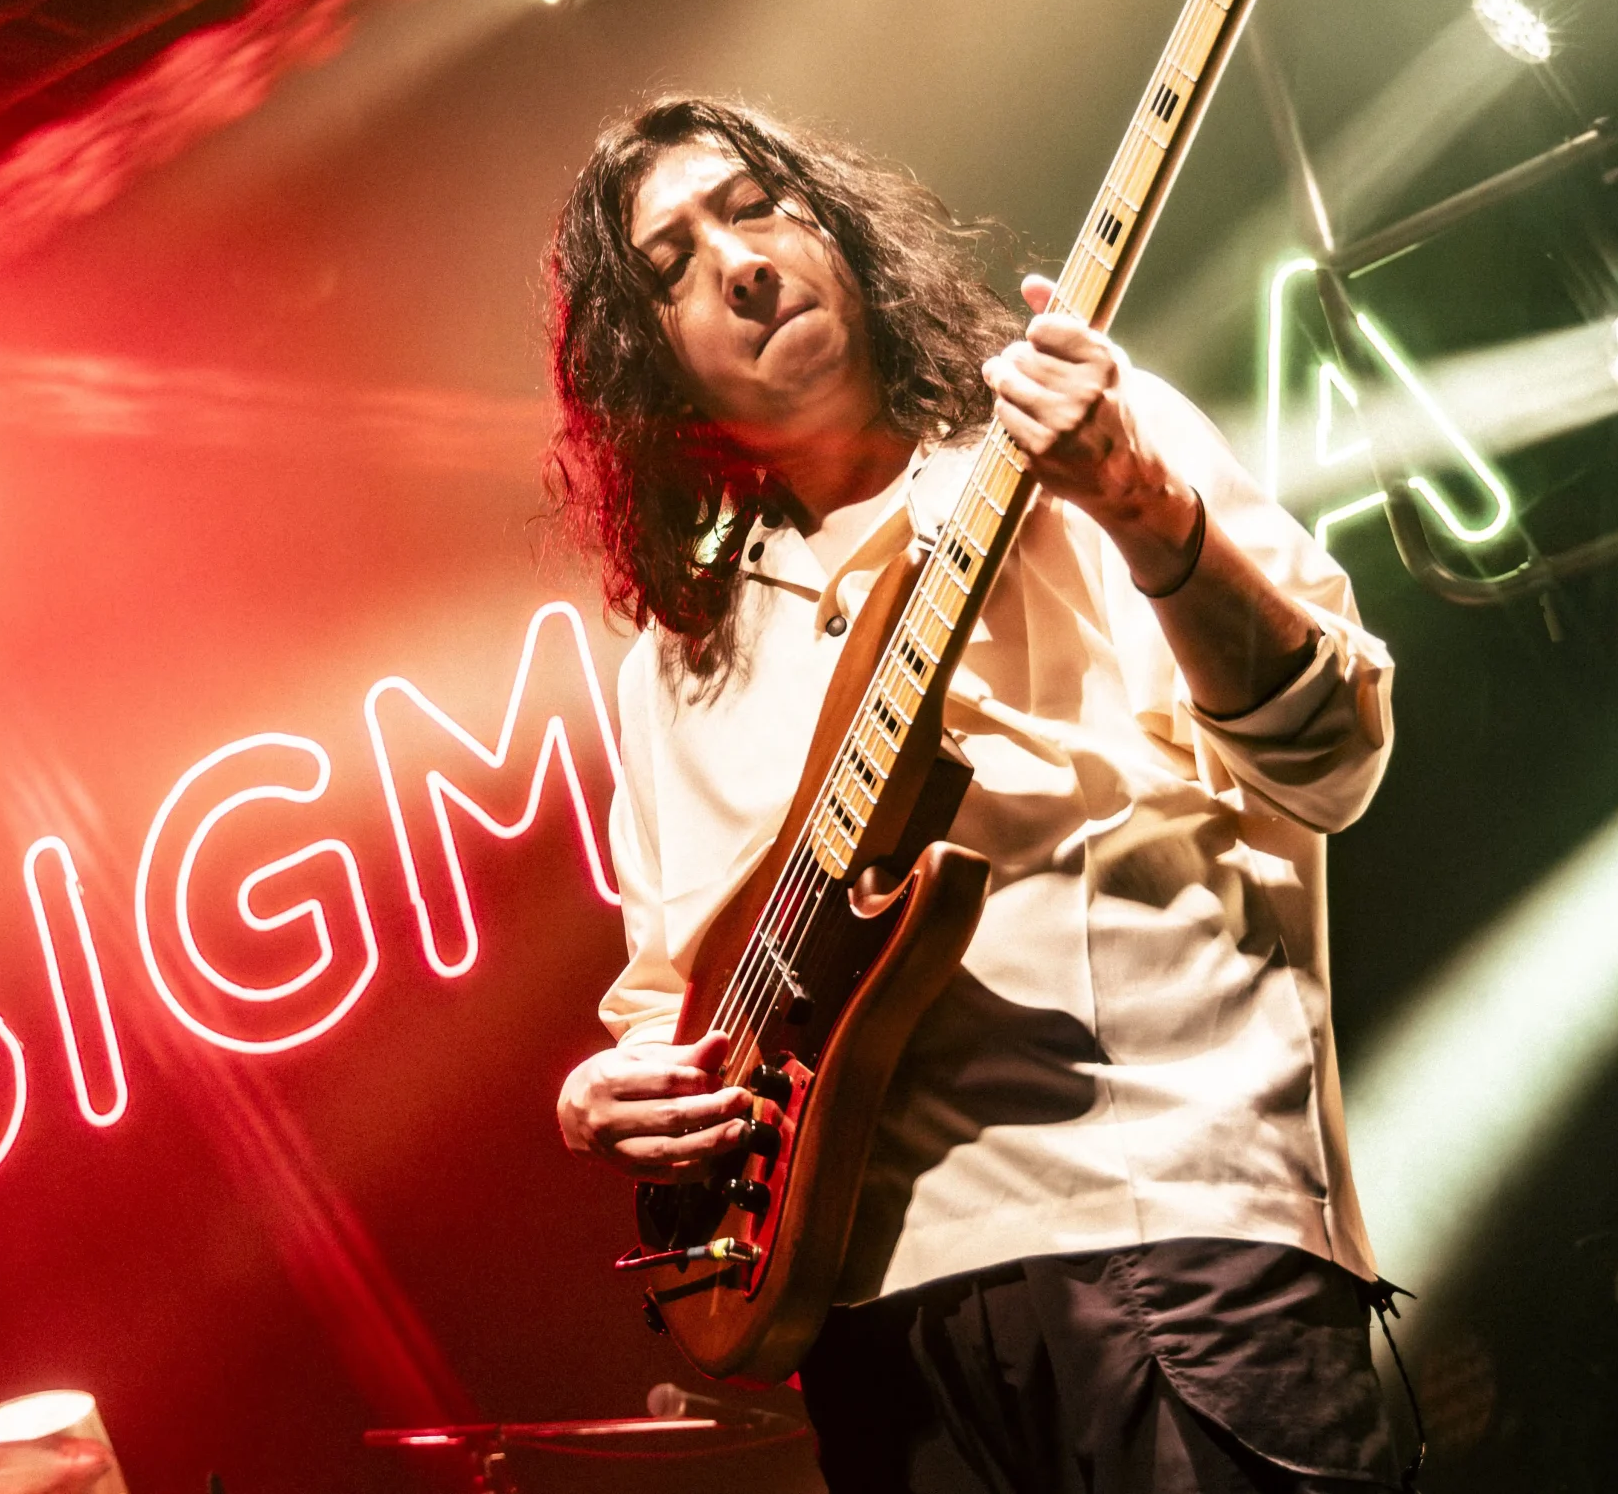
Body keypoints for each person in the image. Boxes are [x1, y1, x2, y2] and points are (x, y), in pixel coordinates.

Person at [546, 96, 1402, 1494]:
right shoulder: (676, 659)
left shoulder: (1080, 440)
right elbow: (669, 993)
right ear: (649, 363)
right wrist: (607, 1097)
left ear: (838, 230)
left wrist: (1140, 503)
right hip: (869, 1326)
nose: (740, 262)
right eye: (671, 266)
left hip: (1167, 1229)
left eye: (756, 206)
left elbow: (1332, 756)